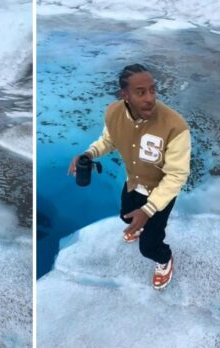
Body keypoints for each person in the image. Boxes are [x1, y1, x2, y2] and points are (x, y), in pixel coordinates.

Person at [68, 63, 191, 290]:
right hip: (133, 184)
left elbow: (176, 176)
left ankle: (164, 259)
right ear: (124, 95)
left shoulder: (176, 127)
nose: (150, 98)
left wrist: (148, 210)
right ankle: (140, 225)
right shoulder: (114, 113)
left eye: (153, 90)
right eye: (141, 92)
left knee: (148, 247)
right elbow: (108, 140)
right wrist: (88, 153)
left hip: (160, 193)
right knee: (125, 218)